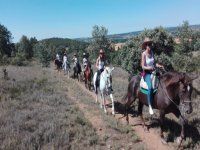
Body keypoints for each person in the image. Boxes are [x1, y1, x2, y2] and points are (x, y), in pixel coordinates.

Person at [141, 37, 164, 115]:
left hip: (154, 72)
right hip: (147, 73)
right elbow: (142, 66)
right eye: (147, 44)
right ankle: (150, 105)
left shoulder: (152, 53)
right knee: (150, 87)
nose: (149, 45)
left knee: (163, 81)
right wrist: (149, 68)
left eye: (150, 44)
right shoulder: (143, 54)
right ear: (145, 46)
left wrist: (159, 65)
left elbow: (154, 64)